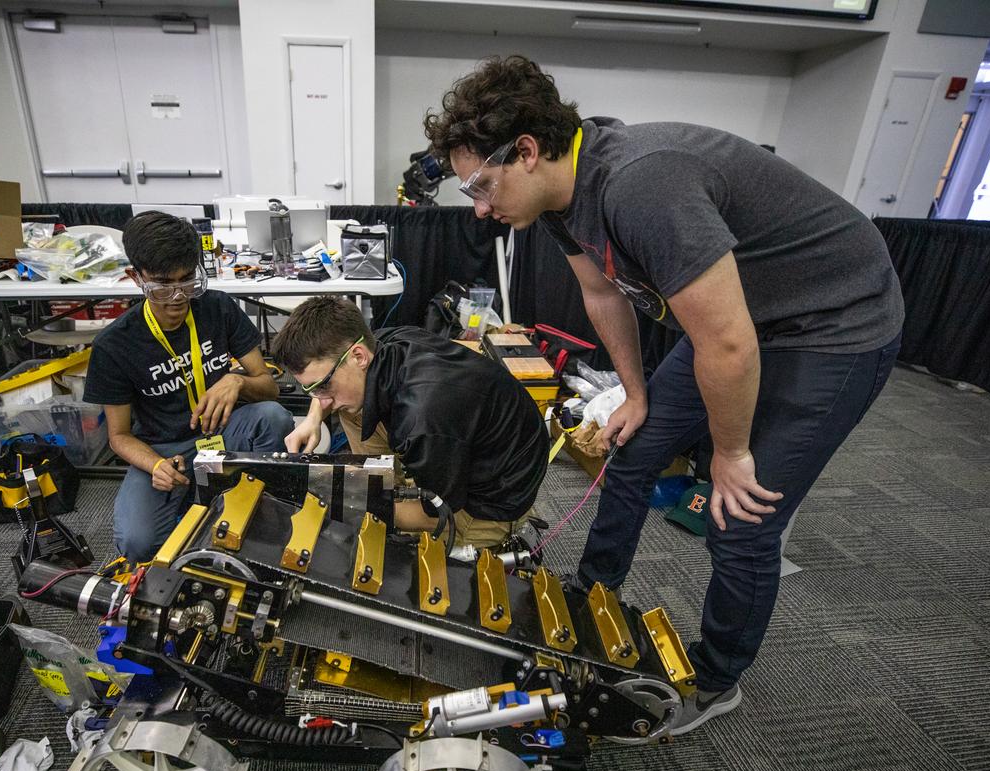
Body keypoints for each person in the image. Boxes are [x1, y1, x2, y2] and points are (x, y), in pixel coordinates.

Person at [424, 55, 903, 734]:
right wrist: (637, 393)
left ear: (526, 151)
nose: (478, 208)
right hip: (747, 314)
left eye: (478, 185)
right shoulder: (565, 198)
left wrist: (730, 452)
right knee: (632, 444)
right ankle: (594, 596)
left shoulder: (639, 186)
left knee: (740, 519)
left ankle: (715, 679)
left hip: (836, 319)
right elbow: (600, 293)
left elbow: (730, 345)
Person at [84, 212, 292, 563]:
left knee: (273, 417)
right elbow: (118, 437)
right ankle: (195, 496)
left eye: (188, 281)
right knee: (138, 543)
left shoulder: (217, 307)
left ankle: (263, 508)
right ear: (136, 279)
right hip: (165, 450)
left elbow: (269, 388)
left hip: (225, 432)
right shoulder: (114, 345)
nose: (178, 297)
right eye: (163, 285)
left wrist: (237, 380)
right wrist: (154, 466)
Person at [271, 296, 548, 550]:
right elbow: (329, 387)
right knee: (348, 407)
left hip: (495, 500)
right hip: (465, 439)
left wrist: (341, 500)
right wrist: (311, 420)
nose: (321, 399)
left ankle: (489, 537)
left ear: (358, 356)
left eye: (322, 386)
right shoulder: (382, 343)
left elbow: (437, 511)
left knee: (365, 509)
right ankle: (380, 480)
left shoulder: (422, 419)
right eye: (312, 390)